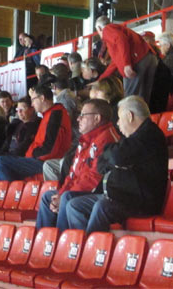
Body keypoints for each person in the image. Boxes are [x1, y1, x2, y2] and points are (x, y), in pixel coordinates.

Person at [63, 96, 168, 234]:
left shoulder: (150, 134)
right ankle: (83, 246)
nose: (118, 123)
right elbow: (104, 161)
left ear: (130, 116)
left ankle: (91, 249)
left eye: (119, 118)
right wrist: (111, 157)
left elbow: (117, 156)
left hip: (141, 202)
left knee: (103, 206)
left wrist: (111, 158)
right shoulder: (132, 138)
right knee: (74, 205)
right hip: (121, 196)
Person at [36, 99, 121, 230]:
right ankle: (42, 241)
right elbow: (72, 173)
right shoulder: (85, 139)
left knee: (67, 197)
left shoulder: (106, 139)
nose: (78, 119)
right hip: (83, 189)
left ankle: (63, 244)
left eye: (83, 115)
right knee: (48, 197)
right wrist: (60, 193)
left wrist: (63, 195)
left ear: (97, 118)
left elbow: (93, 179)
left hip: (99, 192)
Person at [0, 85, 72, 181]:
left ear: (42, 98)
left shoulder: (55, 115)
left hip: (46, 162)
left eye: (33, 100)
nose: (32, 104)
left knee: (2, 162)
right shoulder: (49, 114)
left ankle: (10, 194)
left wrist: (30, 155)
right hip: (39, 159)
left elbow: (50, 150)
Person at [94, 16, 158, 103]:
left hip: (137, 61)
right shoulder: (117, 30)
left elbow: (121, 39)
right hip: (148, 57)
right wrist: (101, 79)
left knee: (130, 98)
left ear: (99, 28)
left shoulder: (107, 30)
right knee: (144, 98)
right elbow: (115, 63)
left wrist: (126, 64)